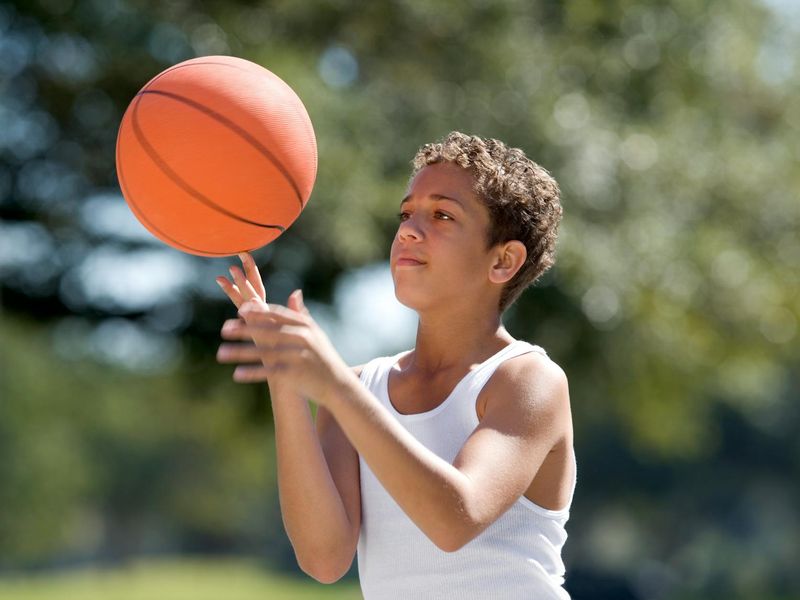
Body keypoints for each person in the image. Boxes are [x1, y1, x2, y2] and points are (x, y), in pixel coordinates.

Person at [215, 131, 575, 599]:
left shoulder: (527, 380)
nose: (408, 229)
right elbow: (324, 559)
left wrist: (338, 392)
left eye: (442, 215)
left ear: (503, 260)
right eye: (406, 213)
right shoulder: (358, 386)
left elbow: (454, 521)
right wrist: (286, 383)